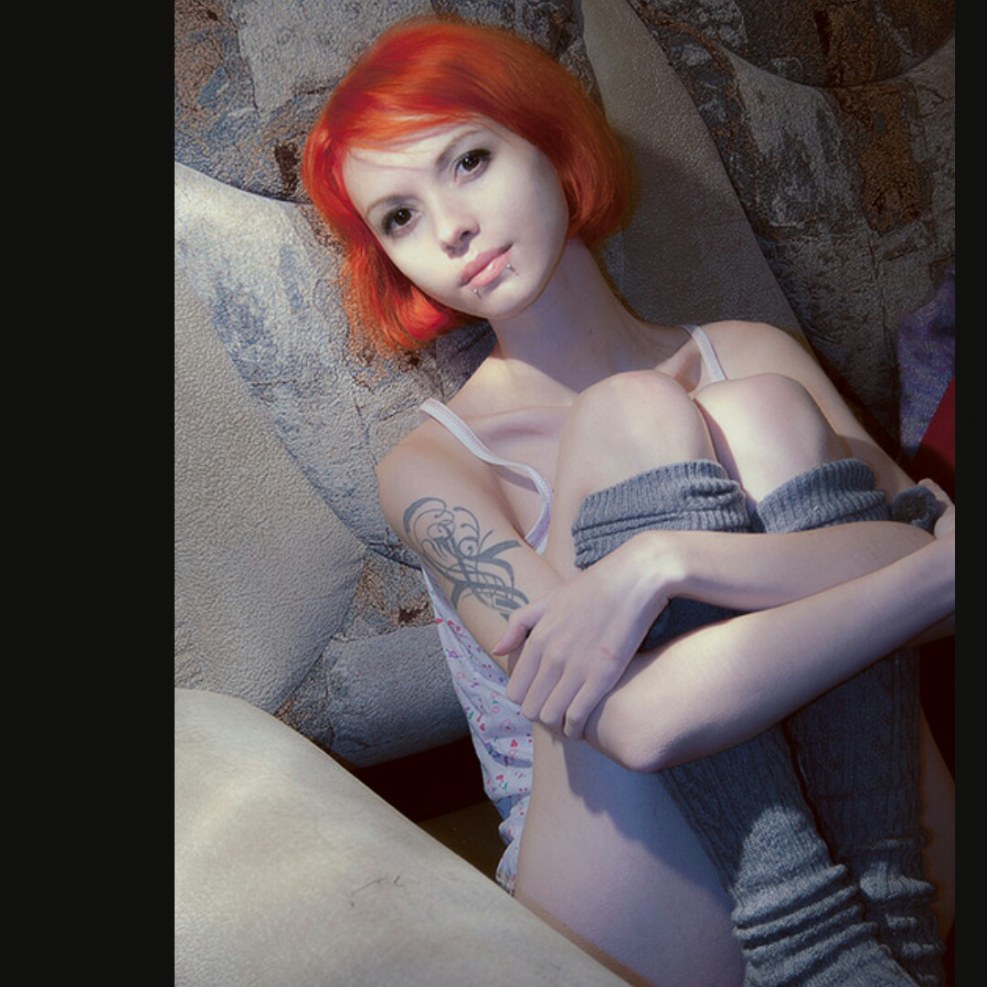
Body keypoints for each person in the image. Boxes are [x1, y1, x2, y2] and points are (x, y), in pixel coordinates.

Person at [302, 15, 955, 987]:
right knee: (633, 414)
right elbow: (640, 722)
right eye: (398, 217)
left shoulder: (752, 353)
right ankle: (824, 949)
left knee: (761, 409)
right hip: (627, 886)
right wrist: (933, 575)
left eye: (468, 161)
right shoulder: (432, 465)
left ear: (548, 139)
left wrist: (669, 564)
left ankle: (861, 951)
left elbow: (929, 577)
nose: (450, 229)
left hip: (880, 850)